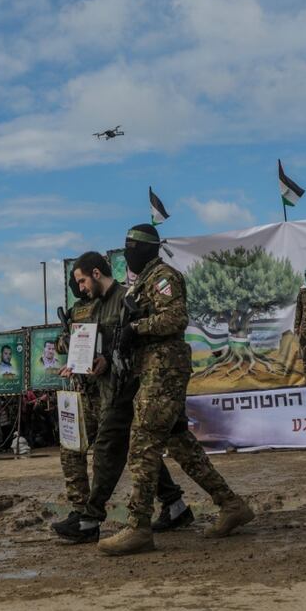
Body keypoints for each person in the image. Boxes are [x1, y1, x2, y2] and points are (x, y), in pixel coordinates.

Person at [98, 229, 254, 556]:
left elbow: (175, 318)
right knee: (182, 447)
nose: (128, 255)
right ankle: (232, 505)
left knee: (142, 445)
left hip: (164, 370)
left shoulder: (163, 277)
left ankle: (138, 527)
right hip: (152, 371)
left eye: (132, 249)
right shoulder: (142, 282)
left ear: (147, 250)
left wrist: (136, 328)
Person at [53, 251, 194, 544]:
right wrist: (75, 352)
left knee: (119, 450)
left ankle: (90, 518)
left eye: (82, 281)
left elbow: (134, 341)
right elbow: (80, 341)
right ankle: (173, 505)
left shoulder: (127, 299)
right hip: (96, 390)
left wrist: (106, 359)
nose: (80, 288)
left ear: (95, 273)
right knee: (131, 451)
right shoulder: (90, 306)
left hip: (123, 389)